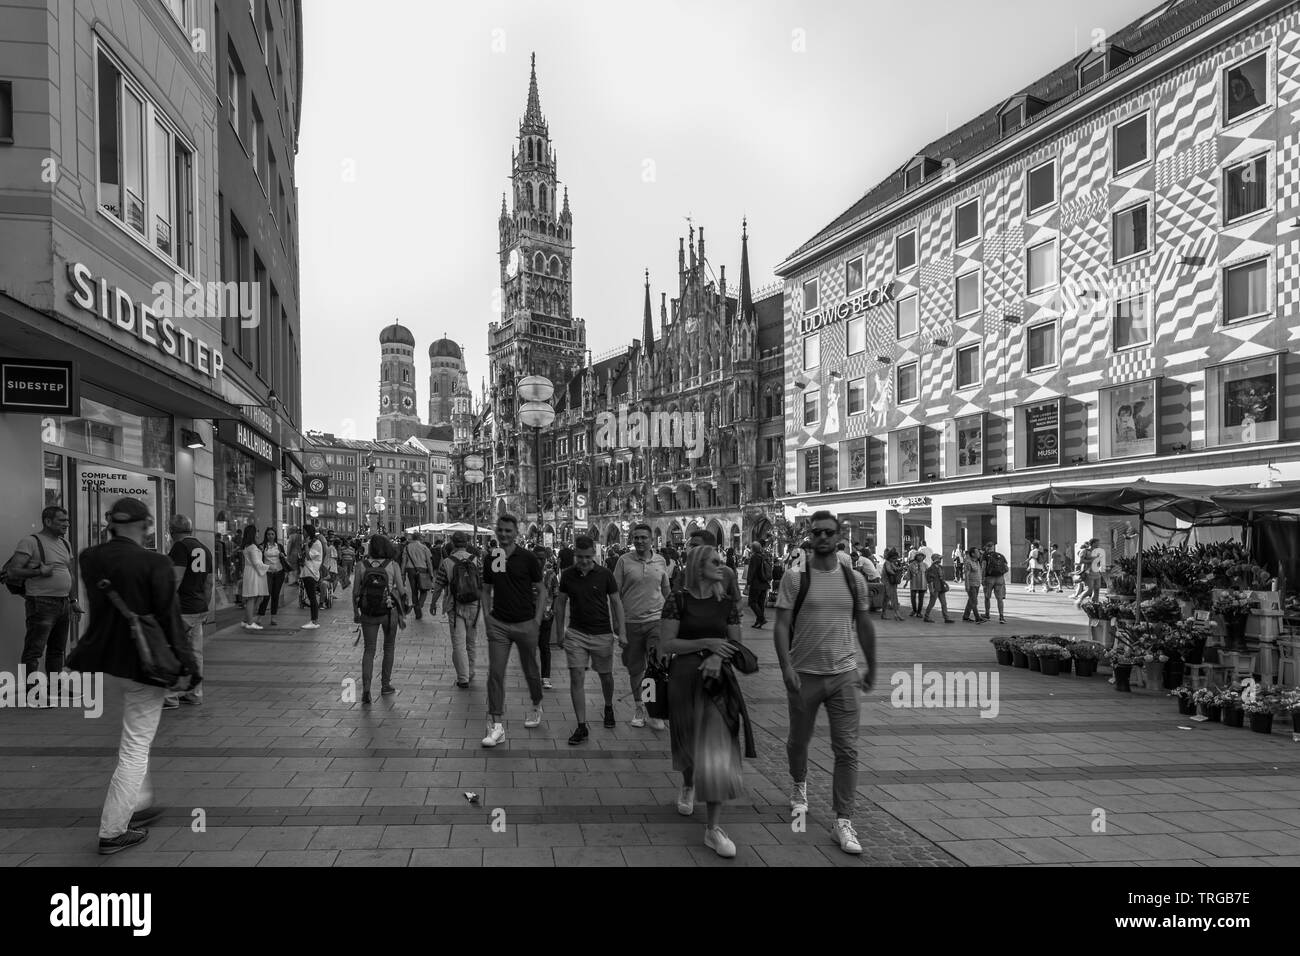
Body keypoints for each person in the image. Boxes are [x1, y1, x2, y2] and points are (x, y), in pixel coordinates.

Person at [72, 498, 199, 855]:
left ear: (111, 524)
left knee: (131, 740)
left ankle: (138, 803)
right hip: (145, 664)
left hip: (103, 662)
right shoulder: (154, 562)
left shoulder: (90, 557)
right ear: (145, 526)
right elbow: (169, 621)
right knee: (135, 748)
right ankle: (113, 830)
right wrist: (188, 667)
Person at [774, 510, 874, 855]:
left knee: (847, 749)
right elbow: (780, 625)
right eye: (816, 532)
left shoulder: (854, 579)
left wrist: (871, 665)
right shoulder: (794, 578)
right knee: (798, 740)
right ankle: (799, 785)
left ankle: (843, 820)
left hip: (844, 674)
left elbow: (863, 624)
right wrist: (786, 667)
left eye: (828, 532)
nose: (822, 538)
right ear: (809, 535)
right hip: (805, 675)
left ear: (838, 536)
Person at [659, 543, 747, 859]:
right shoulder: (678, 599)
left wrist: (715, 655)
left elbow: (737, 645)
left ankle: (713, 828)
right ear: (698, 566)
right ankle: (687, 782)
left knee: (716, 747)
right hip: (683, 677)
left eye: (722, 560)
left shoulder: (728, 603)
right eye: (715, 561)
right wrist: (706, 643)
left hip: (718, 679)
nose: (721, 564)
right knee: (687, 740)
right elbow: (666, 643)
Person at [480, 514, 545, 747]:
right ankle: (496, 726)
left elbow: (541, 590)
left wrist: (537, 620)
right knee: (495, 672)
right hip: (499, 624)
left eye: (508, 530)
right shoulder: (492, 558)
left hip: (526, 623)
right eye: (501, 530)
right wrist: (487, 617)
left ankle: (537, 703)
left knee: (531, 671)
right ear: (496, 532)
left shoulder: (527, 558)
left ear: (516, 532)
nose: (504, 534)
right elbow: (486, 590)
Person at [554, 536, 625, 744]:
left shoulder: (605, 575)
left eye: (587, 556)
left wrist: (622, 630)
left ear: (594, 554)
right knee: (577, 677)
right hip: (576, 633)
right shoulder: (567, 575)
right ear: (575, 554)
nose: (583, 561)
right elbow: (560, 604)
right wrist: (559, 631)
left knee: (606, 676)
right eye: (579, 556)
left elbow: (616, 602)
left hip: (602, 633)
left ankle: (608, 705)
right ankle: (581, 726)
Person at [4, 505, 78, 697]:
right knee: (34, 650)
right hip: (41, 602)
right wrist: (38, 572)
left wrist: (73, 600)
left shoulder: (65, 543)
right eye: (62, 520)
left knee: (57, 649)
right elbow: (12, 571)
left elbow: (69, 573)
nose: (67, 524)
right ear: (48, 521)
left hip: (63, 603)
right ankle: (32, 691)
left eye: (67, 521)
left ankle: (55, 688)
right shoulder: (30, 541)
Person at [614, 522, 671, 730]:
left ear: (651, 539)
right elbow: (615, 595)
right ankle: (640, 707)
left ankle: (653, 710)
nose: (639, 541)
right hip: (631, 622)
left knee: (655, 666)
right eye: (636, 537)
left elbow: (666, 592)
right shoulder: (623, 561)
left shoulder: (660, 561)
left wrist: (673, 619)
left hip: (656, 621)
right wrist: (618, 627)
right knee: (636, 669)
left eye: (643, 537)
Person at [352, 535, 409, 704]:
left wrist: (356, 613)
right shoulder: (393, 565)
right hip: (389, 610)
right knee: (389, 647)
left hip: (368, 612)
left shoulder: (361, 565)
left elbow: (355, 592)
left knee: (369, 650)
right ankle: (385, 685)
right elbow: (401, 589)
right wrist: (404, 609)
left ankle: (366, 690)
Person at [164, 515, 212, 708]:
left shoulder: (180, 547)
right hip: (198, 607)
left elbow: (176, 578)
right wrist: (205, 607)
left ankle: (170, 697)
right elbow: (209, 583)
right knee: (195, 653)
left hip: (182, 608)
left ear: (171, 531)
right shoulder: (205, 549)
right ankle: (194, 693)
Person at [428, 531, 481, 688]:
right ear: (466, 543)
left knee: (458, 644)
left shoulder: (447, 562)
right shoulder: (476, 559)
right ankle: (470, 671)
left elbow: (439, 585)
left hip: (454, 605)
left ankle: (462, 677)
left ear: (452, 542)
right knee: (471, 642)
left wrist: (433, 603)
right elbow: (482, 582)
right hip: (474, 606)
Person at [688, 529, 743, 609]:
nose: (691, 550)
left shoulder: (726, 573)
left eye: (696, 546)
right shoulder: (685, 573)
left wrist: (729, 615)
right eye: (691, 546)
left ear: (710, 548)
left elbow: (737, 600)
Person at [534, 546, 557, 689]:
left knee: (544, 646)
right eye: (536, 558)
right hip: (529, 616)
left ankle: (546, 677)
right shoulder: (525, 574)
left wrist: (553, 610)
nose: (539, 561)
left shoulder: (551, 574)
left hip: (546, 616)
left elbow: (556, 594)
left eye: (541, 558)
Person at [239, 524, 268, 631]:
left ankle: (246, 620)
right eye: (257, 531)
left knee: (257, 597)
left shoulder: (249, 546)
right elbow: (256, 563)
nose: (258, 533)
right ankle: (250, 622)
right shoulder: (252, 547)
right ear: (253, 533)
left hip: (251, 572)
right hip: (254, 573)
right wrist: (269, 568)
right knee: (252, 597)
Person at [401, 532, 435, 620]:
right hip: (422, 569)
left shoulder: (407, 547)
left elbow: (404, 562)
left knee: (414, 591)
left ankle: (418, 613)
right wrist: (431, 574)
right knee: (424, 590)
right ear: (420, 538)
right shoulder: (424, 548)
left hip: (410, 570)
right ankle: (419, 605)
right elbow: (429, 562)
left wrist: (402, 574)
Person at [257, 528, 287, 626]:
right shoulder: (262, 546)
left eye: (272, 534)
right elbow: (258, 559)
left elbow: (285, 557)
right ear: (266, 535)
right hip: (267, 573)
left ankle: (273, 618)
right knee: (266, 595)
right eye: (268, 534)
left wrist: (283, 555)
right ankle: (260, 617)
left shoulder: (279, 546)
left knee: (275, 595)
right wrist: (260, 552)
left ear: (275, 536)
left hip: (279, 572)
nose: (270, 536)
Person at [744, 539, 773, 628]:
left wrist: (748, 582)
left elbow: (751, 571)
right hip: (764, 583)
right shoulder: (764, 555)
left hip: (756, 584)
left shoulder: (754, 557)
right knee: (760, 603)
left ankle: (761, 618)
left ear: (753, 548)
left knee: (752, 602)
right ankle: (759, 622)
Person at [299, 524, 323, 629]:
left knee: (312, 597)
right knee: (311, 596)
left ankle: (314, 621)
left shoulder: (316, 543)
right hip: (306, 572)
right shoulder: (311, 542)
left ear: (308, 532)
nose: (302, 533)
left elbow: (309, 556)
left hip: (311, 572)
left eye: (304, 531)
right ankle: (313, 620)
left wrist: (305, 544)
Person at [982, 543, 1009, 624]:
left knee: (987, 597)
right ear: (993, 548)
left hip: (989, 578)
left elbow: (984, 567)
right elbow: (1006, 568)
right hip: (1000, 578)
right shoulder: (1000, 555)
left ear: (987, 548)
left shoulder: (985, 555)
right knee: (1000, 599)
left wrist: (982, 578)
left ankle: (987, 615)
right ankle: (1001, 617)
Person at [923, 554, 954, 624]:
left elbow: (942, 578)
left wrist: (945, 584)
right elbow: (929, 580)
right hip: (935, 587)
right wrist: (931, 590)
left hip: (941, 587)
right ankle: (926, 616)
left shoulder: (940, 567)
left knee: (944, 603)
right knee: (932, 603)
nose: (940, 560)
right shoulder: (930, 569)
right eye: (939, 558)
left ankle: (946, 618)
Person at [961, 548, 986, 624]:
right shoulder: (968, 562)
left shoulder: (977, 562)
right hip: (971, 585)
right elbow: (967, 575)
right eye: (977, 552)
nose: (979, 553)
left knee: (971, 601)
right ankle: (977, 617)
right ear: (973, 554)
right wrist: (967, 585)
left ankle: (966, 616)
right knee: (974, 602)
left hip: (977, 584)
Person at [879, 547, 904, 622]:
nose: (895, 559)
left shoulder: (890, 562)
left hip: (889, 582)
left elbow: (895, 568)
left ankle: (884, 614)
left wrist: (899, 568)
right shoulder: (887, 563)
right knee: (893, 598)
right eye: (894, 558)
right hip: (888, 582)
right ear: (890, 558)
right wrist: (896, 572)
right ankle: (897, 614)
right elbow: (890, 571)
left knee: (886, 599)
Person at [906, 549, 927, 618]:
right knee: (913, 597)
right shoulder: (911, 565)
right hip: (914, 583)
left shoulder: (925, 565)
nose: (920, 557)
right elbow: (909, 574)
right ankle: (914, 610)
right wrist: (906, 582)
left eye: (922, 556)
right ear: (916, 557)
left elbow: (928, 574)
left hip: (922, 583)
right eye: (919, 556)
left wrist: (930, 584)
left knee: (921, 598)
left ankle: (919, 612)